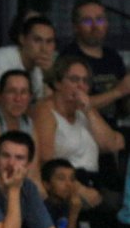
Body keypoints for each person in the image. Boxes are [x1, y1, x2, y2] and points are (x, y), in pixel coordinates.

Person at [31, 55, 124, 197]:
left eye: (85, 81)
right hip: (67, 186)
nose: (81, 86)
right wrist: (78, 189)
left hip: (94, 180)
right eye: (74, 80)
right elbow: (46, 161)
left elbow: (111, 145)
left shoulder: (84, 111)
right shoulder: (45, 111)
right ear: (58, 83)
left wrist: (89, 110)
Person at [59, 0, 130, 128]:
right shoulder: (68, 58)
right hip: (80, 133)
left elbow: (123, 108)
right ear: (75, 27)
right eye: (87, 21)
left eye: (100, 20)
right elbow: (73, 105)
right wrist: (118, 91)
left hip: (113, 131)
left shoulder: (113, 56)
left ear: (107, 24)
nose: (95, 26)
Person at [0, 16, 55, 119]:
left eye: (49, 42)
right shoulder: (1, 59)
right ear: (22, 39)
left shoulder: (41, 68)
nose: (44, 48)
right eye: (37, 40)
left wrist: (49, 77)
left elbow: (44, 109)